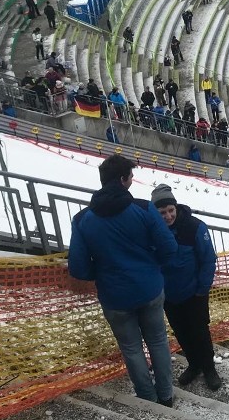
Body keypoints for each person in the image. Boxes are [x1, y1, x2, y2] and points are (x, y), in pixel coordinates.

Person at [67, 155, 177, 406]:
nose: (131, 180)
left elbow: (78, 268)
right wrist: (150, 265)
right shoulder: (142, 208)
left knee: (131, 349)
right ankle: (166, 395)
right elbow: (169, 247)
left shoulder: (83, 219)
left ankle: (146, 399)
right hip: (149, 289)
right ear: (122, 179)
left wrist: (103, 272)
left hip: (114, 296)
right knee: (158, 340)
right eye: (130, 175)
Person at [150, 185, 221, 390]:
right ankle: (194, 364)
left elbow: (208, 260)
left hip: (194, 292)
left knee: (199, 331)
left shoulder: (194, 227)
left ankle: (209, 368)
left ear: (176, 207)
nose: (168, 216)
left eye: (170, 210)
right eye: (162, 212)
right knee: (181, 331)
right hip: (169, 295)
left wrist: (202, 289)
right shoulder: (152, 231)